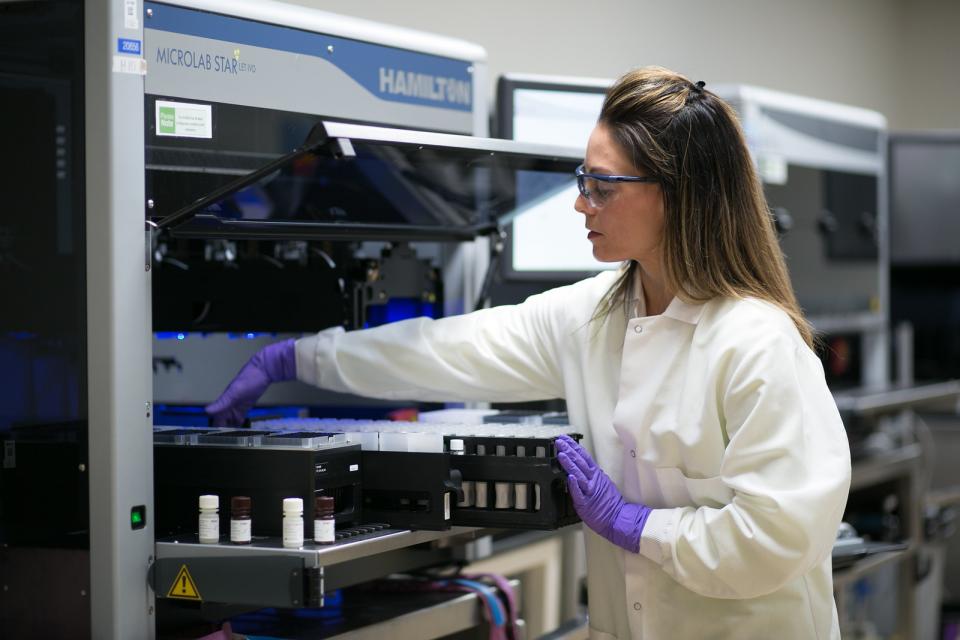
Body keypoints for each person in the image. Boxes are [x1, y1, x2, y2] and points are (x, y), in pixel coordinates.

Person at [206, 66, 851, 639]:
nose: (580, 203)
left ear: (676, 195)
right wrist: (299, 358)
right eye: (582, 180)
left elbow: (777, 537)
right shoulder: (594, 315)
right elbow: (446, 348)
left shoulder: (756, 343)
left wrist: (636, 525)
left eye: (602, 186)